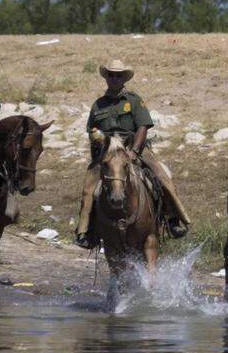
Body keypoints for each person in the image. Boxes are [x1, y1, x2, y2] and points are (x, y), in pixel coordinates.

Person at [73, 59, 191, 249]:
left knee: (162, 177)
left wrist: (135, 151)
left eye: (118, 75)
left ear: (123, 79)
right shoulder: (98, 105)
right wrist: (98, 142)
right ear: (106, 78)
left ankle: (175, 219)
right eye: (111, 75)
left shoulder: (134, 101)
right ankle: (85, 231)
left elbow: (143, 126)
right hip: (107, 152)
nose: (114, 78)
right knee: (88, 190)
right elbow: (92, 130)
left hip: (134, 147)